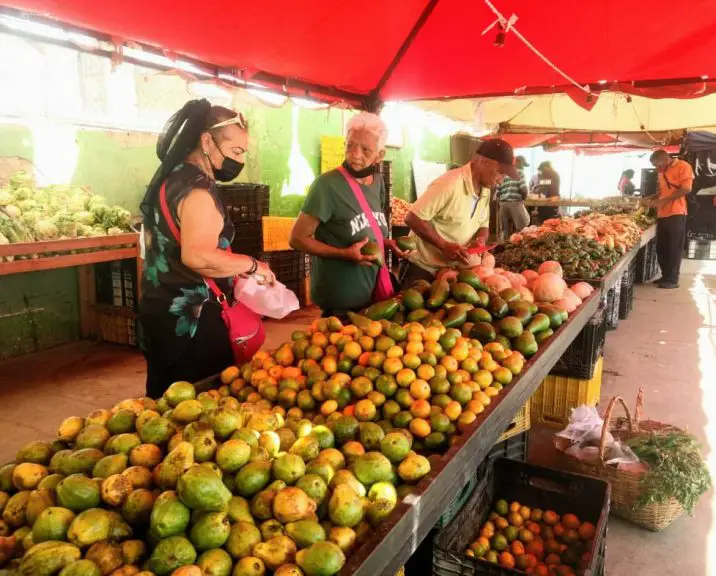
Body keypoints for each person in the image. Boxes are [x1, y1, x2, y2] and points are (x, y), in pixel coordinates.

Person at [138, 99, 274, 399]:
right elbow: (197, 255)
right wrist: (251, 265)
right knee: (200, 405)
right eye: (236, 151)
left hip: (159, 313)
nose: (239, 160)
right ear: (206, 141)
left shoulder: (170, 180)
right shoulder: (198, 189)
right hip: (193, 326)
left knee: (165, 404)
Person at [290, 113, 408, 319]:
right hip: (340, 303)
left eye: (365, 150)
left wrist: (385, 242)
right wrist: (344, 254)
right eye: (350, 145)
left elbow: (368, 225)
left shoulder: (378, 182)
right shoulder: (327, 185)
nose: (355, 155)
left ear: (380, 155)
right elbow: (297, 239)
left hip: (373, 298)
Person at [400, 138, 515, 286]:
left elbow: (483, 224)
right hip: (422, 269)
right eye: (500, 173)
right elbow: (412, 217)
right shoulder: (449, 183)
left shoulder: (485, 189)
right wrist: (443, 245)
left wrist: (480, 240)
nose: (500, 181)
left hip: (451, 271)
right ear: (483, 162)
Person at [644, 150, 694, 289]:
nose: (657, 168)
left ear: (665, 159)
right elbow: (665, 190)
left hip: (677, 212)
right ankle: (665, 275)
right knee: (662, 247)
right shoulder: (662, 171)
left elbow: (686, 189)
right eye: (655, 166)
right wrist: (653, 197)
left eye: (658, 165)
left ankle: (672, 279)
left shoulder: (683, 166)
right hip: (663, 214)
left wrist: (663, 201)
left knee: (674, 247)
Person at [497, 155, 531, 240]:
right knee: (523, 227)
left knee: (505, 231)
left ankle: (505, 248)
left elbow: (498, 190)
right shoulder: (520, 172)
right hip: (515, 203)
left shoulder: (505, 174)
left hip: (503, 204)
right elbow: (523, 189)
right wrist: (523, 199)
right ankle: (518, 248)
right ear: (517, 162)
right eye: (523, 164)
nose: (523, 167)